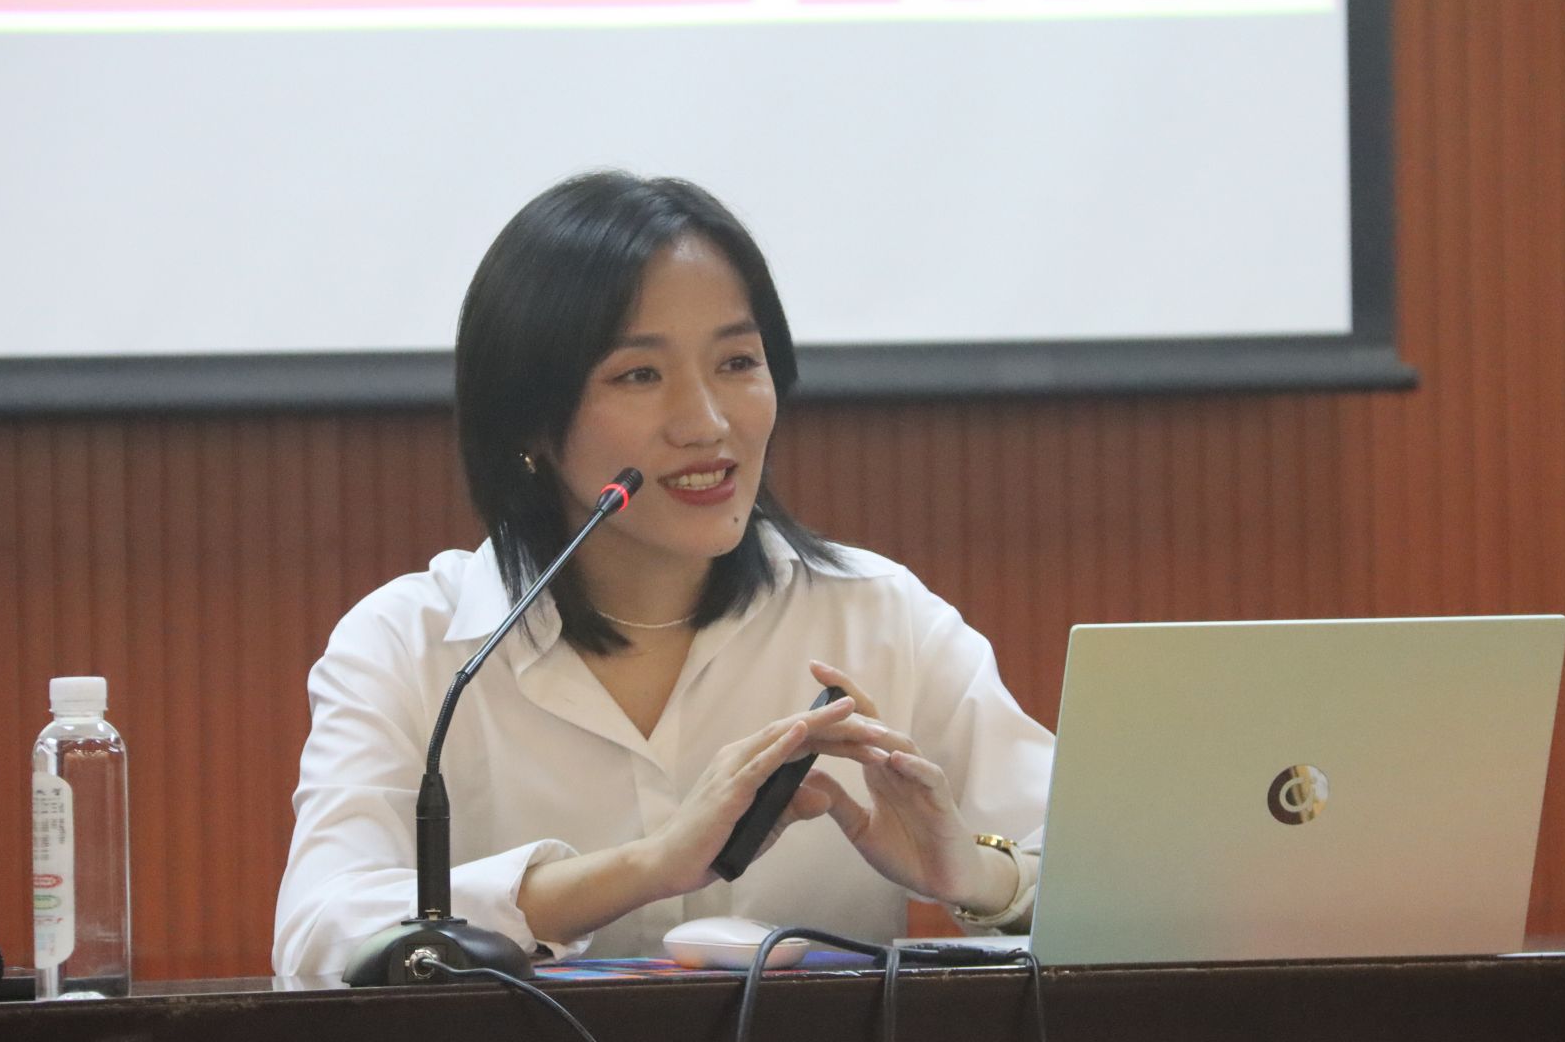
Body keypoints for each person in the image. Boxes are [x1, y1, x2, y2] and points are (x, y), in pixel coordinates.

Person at [273, 172, 1053, 974]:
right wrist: (645, 868)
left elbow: (1103, 874)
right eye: (639, 375)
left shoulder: (877, 618)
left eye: (737, 361)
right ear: (529, 420)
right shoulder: (413, 647)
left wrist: (975, 876)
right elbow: (319, 932)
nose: (707, 423)